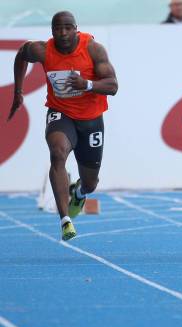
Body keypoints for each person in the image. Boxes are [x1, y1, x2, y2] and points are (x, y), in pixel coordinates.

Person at [6, 11, 118, 240]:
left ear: (76, 29)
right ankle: (65, 220)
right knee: (57, 153)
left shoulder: (93, 49)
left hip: (91, 119)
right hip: (61, 113)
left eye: (68, 28)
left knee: (91, 183)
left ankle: (79, 192)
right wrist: (18, 91)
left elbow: (113, 86)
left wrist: (86, 84)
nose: (63, 33)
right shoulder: (42, 50)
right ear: (52, 31)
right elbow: (21, 55)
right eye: (58, 28)